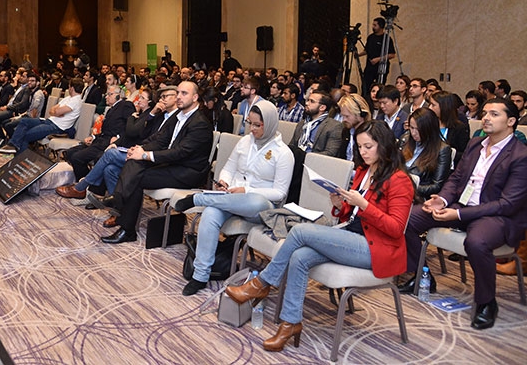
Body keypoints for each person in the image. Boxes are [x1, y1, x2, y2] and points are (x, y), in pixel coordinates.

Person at [225, 121, 413, 352]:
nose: (363, 152)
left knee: (301, 231)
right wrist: (340, 204)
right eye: (360, 146)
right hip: (351, 234)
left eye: (368, 146)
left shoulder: (399, 180)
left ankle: (262, 283)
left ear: (383, 145)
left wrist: (363, 204)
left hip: (375, 249)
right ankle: (290, 323)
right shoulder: (364, 171)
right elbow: (350, 215)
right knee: (300, 257)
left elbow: (396, 228)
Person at [398, 99, 527, 330]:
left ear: (510, 121)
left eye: (494, 114)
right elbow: (457, 178)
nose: (486, 117)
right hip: (461, 206)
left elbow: (506, 204)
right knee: (406, 218)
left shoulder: (521, 155)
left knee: (477, 243)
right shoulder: (476, 144)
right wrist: (442, 200)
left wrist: (457, 215)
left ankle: (487, 302)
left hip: (496, 217)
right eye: (485, 113)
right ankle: (423, 275)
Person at [175, 100, 294, 296]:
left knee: (253, 200)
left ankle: (199, 199)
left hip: (260, 207)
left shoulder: (283, 154)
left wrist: (245, 190)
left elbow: (279, 193)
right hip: (230, 199)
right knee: (211, 214)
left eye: (257, 125)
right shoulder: (245, 141)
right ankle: (200, 275)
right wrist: (224, 182)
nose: (252, 129)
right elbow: (229, 168)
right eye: (250, 123)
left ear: (271, 124)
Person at [98, 81, 213, 244]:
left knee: (137, 176)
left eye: (184, 93)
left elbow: (180, 153)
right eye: (178, 93)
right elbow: (160, 141)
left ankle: (125, 221)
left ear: (195, 98)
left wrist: (145, 155)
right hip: (171, 165)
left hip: (188, 172)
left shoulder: (200, 123)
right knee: (134, 162)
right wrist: (139, 149)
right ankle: (120, 203)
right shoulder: (178, 117)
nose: (179, 97)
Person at [0, 77, 84, 155]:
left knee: (25, 135)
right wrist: (56, 112)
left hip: (57, 127)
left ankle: (20, 160)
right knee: (24, 121)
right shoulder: (67, 98)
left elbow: (56, 111)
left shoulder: (76, 101)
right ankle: (13, 145)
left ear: (71, 88)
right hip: (49, 121)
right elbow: (52, 110)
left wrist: (56, 111)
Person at [403, 108, 452, 203]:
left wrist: (407, 186)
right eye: (411, 128)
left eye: (418, 129)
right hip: (396, 189)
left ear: (429, 129)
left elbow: (437, 186)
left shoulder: (442, 150)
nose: (413, 133)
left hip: (418, 197)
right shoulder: (405, 140)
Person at [428, 90, 470, 166]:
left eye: (433, 105)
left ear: (444, 106)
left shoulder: (459, 128)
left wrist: (448, 153)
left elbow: (464, 154)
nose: (430, 108)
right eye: (429, 104)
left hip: (448, 167)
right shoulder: (428, 123)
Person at [360, 17, 396, 92]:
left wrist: (378, 59)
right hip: (369, 67)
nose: (373, 27)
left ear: (381, 26)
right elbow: (367, 50)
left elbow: (392, 55)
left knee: (379, 87)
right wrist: (359, 54)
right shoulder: (370, 37)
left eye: (375, 25)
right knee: (365, 86)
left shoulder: (386, 38)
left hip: (381, 67)